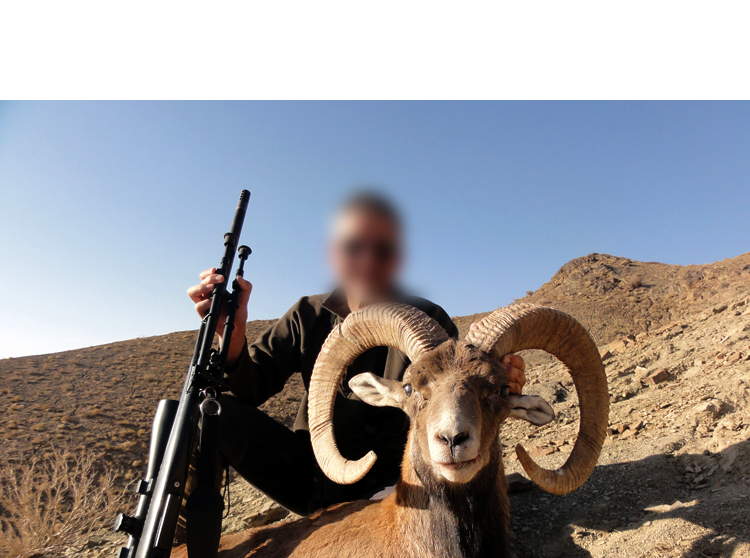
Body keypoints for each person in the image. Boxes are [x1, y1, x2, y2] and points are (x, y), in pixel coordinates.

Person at [187, 191, 526, 516]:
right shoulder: (307, 315)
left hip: (395, 486)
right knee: (202, 413)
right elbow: (249, 388)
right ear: (334, 255)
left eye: (383, 249)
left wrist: (500, 383)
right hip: (311, 474)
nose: (367, 261)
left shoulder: (430, 323)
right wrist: (230, 338)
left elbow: (454, 404)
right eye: (353, 247)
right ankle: (187, 549)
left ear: (397, 258)